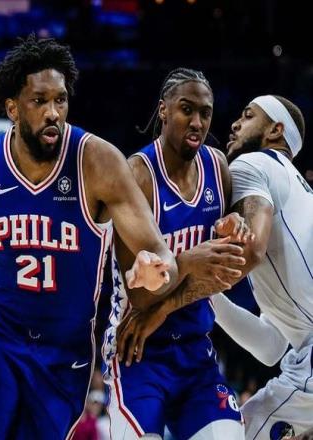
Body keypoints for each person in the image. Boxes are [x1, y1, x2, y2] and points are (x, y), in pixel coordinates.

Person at [0, 35, 177, 440]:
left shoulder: (98, 162)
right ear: (13, 108)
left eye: (60, 100)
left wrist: (156, 270)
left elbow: (160, 253)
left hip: (63, 356)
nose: (53, 113)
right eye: (39, 101)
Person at [118, 95, 312, 439]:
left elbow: (249, 250)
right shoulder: (296, 193)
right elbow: (270, 347)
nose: (235, 124)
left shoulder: (253, 163)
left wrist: (164, 306)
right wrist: (210, 296)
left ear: (275, 131)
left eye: (248, 115)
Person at [103, 68, 250, 440]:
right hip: (138, 353)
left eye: (205, 112)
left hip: (196, 352)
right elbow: (139, 296)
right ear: (163, 110)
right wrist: (188, 262)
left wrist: (235, 225)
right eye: (187, 109)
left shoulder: (217, 167)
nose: (197, 121)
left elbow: (226, 273)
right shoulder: (137, 175)